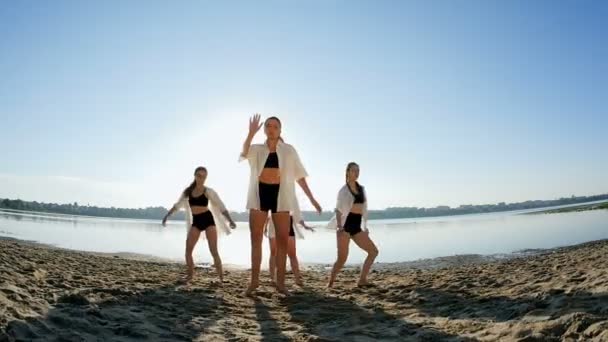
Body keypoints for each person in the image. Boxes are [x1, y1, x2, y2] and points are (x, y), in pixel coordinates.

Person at [240, 114, 322, 295]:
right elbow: (244, 153)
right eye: (268, 125)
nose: (271, 128)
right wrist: (250, 133)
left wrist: (312, 199)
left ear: (280, 130)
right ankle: (254, 282)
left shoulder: (288, 150)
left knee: (283, 241)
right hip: (259, 195)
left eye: (275, 126)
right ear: (264, 129)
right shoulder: (257, 149)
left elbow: (299, 175)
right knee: (256, 240)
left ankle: (281, 283)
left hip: (280, 195)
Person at [162, 166, 236, 283]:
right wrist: (167, 216)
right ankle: (190, 276)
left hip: (208, 220)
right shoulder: (188, 192)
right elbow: (177, 205)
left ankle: (221, 278)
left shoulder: (208, 191)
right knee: (188, 251)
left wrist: (230, 220)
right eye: (199, 176)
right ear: (195, 176)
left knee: (214, 251)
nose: (201, 178)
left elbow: (221, 206)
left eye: (204, 177)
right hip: (196, 221)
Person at [327, 162, 379, 288]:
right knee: (341, 260)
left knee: (373, 252)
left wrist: (365, 227)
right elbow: (339, 210)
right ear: (348, 172)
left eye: (358, 170)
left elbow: (364, 209)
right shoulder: (343, 191)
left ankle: (362, 280)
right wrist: (340, 227)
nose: (356, 173)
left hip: (357, 226)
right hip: (345, 226)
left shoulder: (362, 189)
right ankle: (330, 283)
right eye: (354, 170)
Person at [265, 214, 315, 286]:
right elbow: (296, 213)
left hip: (277, 227)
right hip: (280, 226)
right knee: (290, 255)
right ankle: (297, 279)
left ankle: (273, 278)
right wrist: (304, 225)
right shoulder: (288, 203)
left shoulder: (273, 203)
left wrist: (265, 227)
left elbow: (268, 215)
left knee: (275, 254)